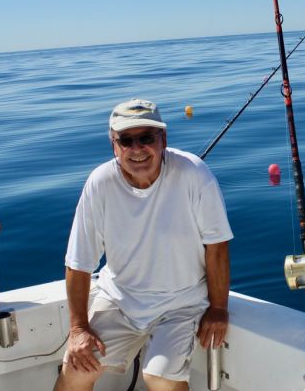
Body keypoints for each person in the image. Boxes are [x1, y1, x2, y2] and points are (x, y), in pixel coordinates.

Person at [54, 98, 233, 391]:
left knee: (160, 377)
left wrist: (218, 309)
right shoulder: (99, 183)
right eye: (126, 140)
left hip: (181, 304)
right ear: (114, 145)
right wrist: (78, 330)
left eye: (146, 138)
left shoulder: (194, 173)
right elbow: (79, 262)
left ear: (163, 139)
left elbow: (217, 246)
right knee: (76, 371)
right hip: (119, 300)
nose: (137, 149)